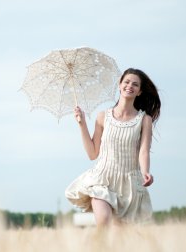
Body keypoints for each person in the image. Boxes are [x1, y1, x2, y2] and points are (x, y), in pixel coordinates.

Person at [65, 68, 161, 227]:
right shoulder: (103, 116)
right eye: (127, 82)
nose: (130, 86)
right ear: (119, 85)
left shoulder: (144, 120)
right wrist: (82, 124)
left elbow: (143, 151)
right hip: (102, 179)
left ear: (139, 91)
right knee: (104, 221)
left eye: (135, 84)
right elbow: (92, 153)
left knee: (121, 237)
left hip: (129, 185)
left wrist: (145, 172)